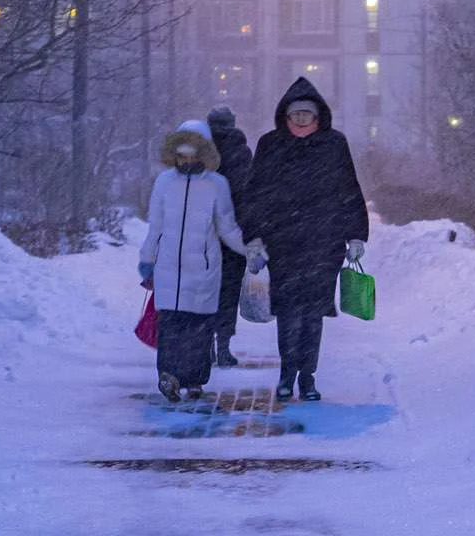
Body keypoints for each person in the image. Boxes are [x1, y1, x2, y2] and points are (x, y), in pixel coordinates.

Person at [241, 77, 368, 402]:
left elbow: (348, 190)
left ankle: (307, 378)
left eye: (306, 113)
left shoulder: (333, 144)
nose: (300, 118)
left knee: (312, 315)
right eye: (295, 113)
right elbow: (255, 193)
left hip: (323, 244)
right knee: (287, 313)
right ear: (286, 115)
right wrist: (253, 236)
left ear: (317, 115)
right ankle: (286, 375)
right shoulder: (271, 144)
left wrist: (355, 234)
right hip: (283, 242)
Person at [138, 119, 261, 403]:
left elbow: (227, 227)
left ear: (204, 154)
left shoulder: (217, 185)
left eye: (193, 154)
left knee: (199, 328)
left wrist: (249, 249)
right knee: (170, 327)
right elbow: (155, 226)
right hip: (169, 268)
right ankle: (168, 376)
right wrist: (147, 259)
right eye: (182, 154)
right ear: (175, 155)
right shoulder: (164, 183)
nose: (187, 160)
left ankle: (195, 380)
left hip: (203, 269)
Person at [205, 105, 255, 367]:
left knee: (203, 292)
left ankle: (204, 345)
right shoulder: (242, 152)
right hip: (233, 234)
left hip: (201, 234)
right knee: (228, 292)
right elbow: (247, 194)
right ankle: (223, 345)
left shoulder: (200, 152)